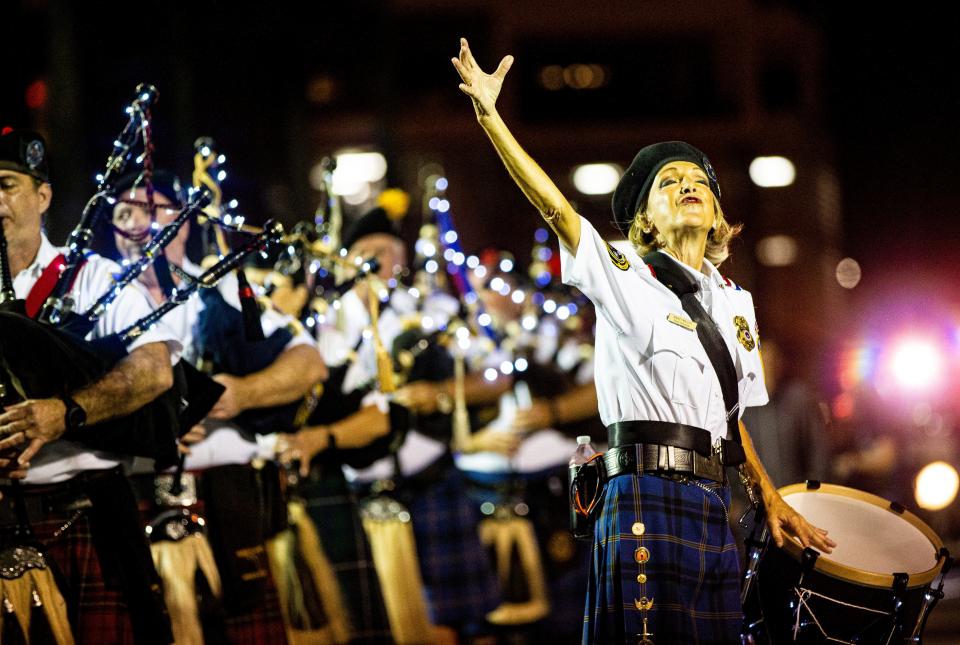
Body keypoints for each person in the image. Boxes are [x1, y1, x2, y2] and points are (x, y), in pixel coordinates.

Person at [451, 39, 836, 644]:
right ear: (645, 221)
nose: (687, 184)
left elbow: (730, 423)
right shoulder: (625, 272)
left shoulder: (736, 304)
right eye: (668, 182)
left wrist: (769, 497)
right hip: (641, 493)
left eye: (699, 182)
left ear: (715, 217)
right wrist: (491, 119)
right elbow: (555, 209)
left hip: (712, 503)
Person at [110, 169, 327, 645]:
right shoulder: (96, 297)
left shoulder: (222, 289)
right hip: (134, 500)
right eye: (122, 212)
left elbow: (309, 362)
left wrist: (240, 393)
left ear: (183, 221)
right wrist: (144, 422)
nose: (136, 225)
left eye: (150, 209)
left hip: (230, 498)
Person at [0, 128, 178, 643]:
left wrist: (66, 412)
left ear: (43, 195)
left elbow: (153, 369)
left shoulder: (96, 280)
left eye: (7, 183)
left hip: (87, 516)